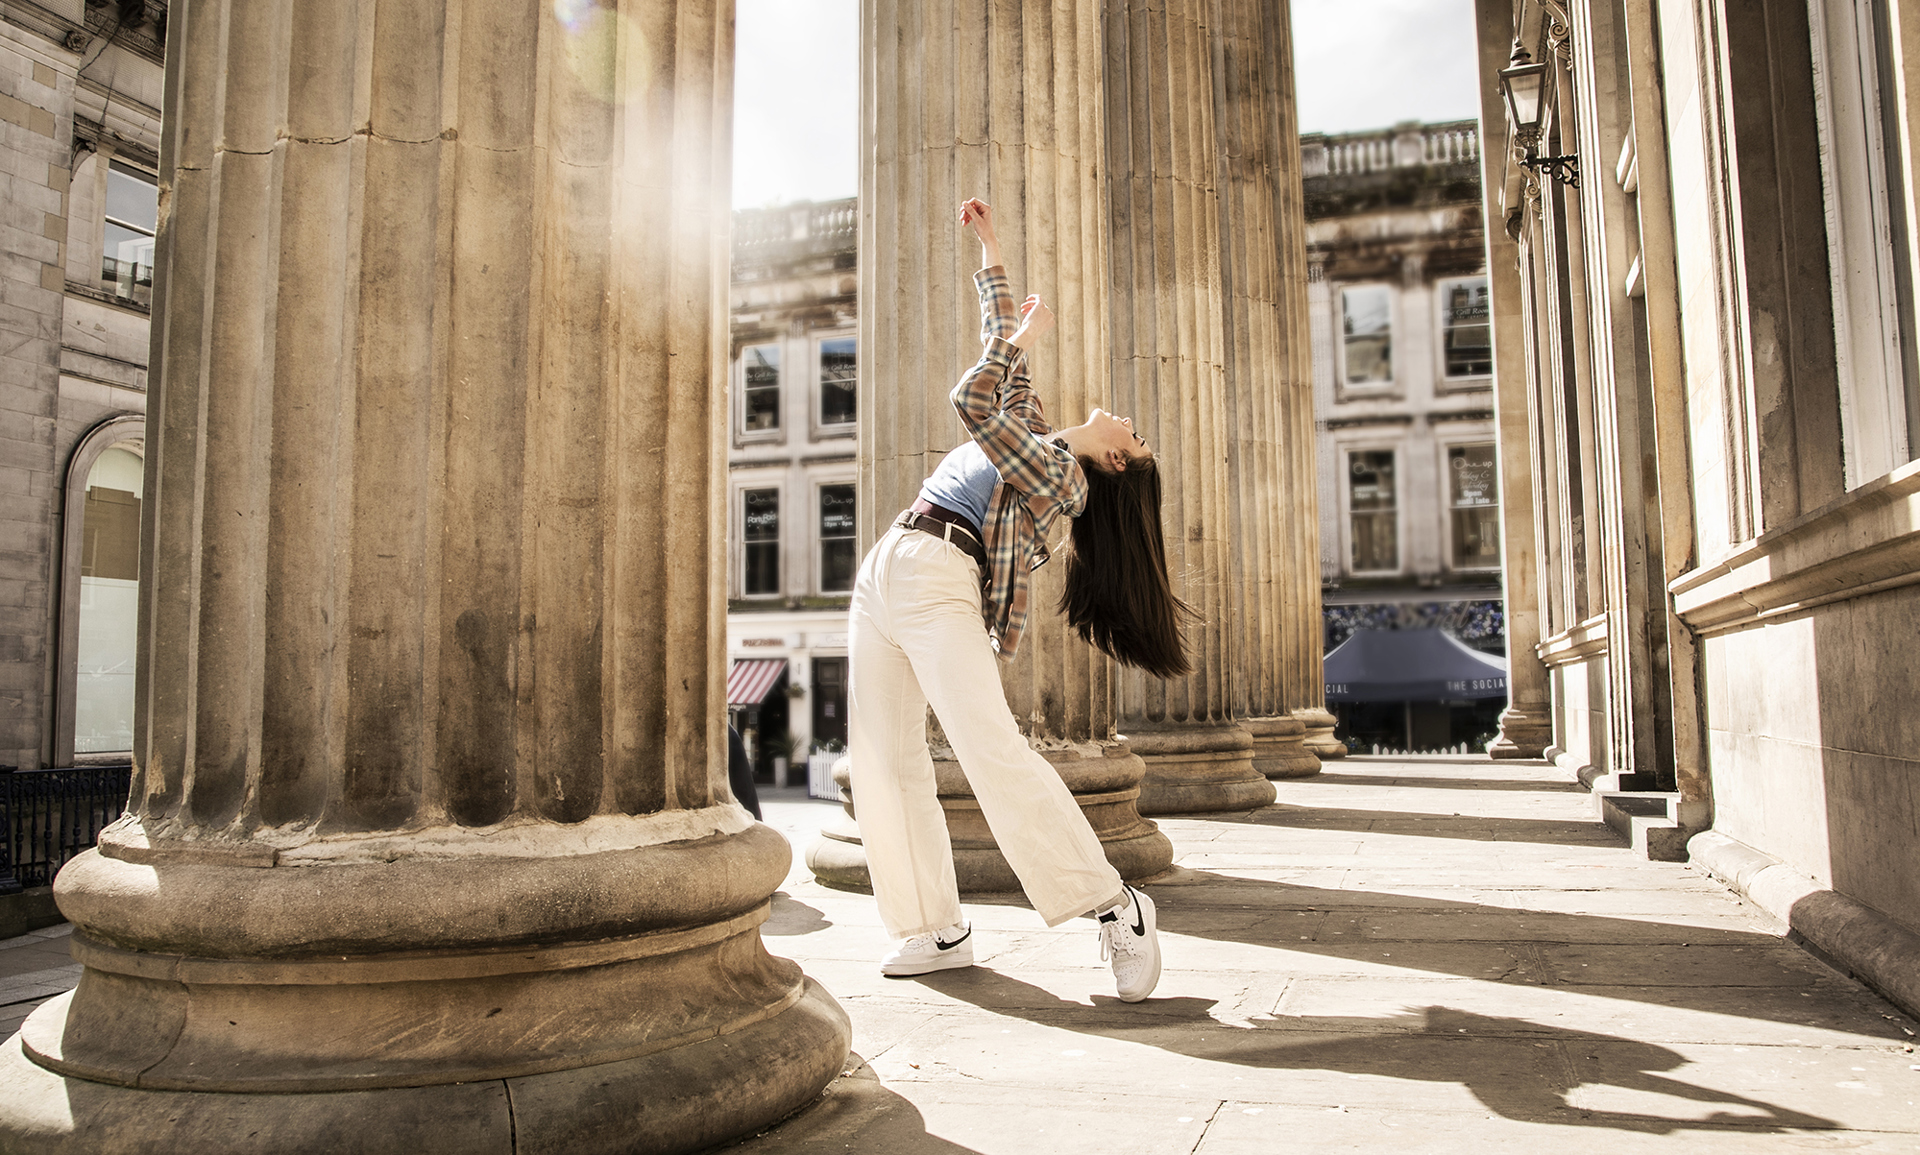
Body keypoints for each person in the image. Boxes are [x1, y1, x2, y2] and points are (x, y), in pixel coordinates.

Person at [847, 198, 1191, 1003]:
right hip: (889, 564)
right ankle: (935, 926)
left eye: (1134, 440)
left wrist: (1015, 340)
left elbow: (973, 399)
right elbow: (1004, 365)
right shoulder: (1042, 435)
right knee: (884, 761)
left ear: (1111, 463)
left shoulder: (1063, 478)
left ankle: (1114, 902)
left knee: (990, 750)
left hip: (941, 573)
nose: (1132, 425)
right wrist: (992, 252)